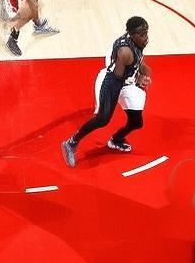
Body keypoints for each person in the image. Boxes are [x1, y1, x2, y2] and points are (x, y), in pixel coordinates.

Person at [61, 16, 150, 166]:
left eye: (146, 33)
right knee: (103, 118)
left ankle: (116, 140)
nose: (145, 37)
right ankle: (71, 143)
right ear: (131, 35)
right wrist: (138, 80)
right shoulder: (125, 52)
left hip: (126, 81)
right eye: (142, 35)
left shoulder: (136, 41)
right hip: (111, 81)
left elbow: (138, 62)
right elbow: (117, 80)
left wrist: (143, 74)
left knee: (136, 122)